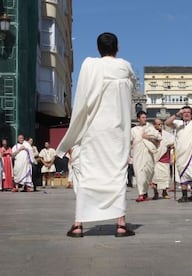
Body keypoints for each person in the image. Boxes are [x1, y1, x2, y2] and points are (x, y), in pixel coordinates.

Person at [56, 32, 135, 238]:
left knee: (89, 173)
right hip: (116, 130)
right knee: (116, 174)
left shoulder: (90, 66)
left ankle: (78, 224)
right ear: (117, 47)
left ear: (98, 49)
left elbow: (81, 99)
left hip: (93, 129)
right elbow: (129, 90)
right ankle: (120, 223)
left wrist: (74, 133)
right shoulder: (124, 67)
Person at [165, 106, 192, 203]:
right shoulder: (178, 123)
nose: (186, 114)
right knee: (183, 175)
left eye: (189, 112)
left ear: (191, 114)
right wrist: (176, 114)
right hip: (181, 154)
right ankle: (184, 196)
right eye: (184, 112)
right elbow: (167, 123)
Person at [131, 111, 162, 202]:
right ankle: (141, 194)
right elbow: (129, 140)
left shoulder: (150, 128)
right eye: (142, 117)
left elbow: (159, 137)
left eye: (145, 117)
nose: (144, 119)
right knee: (139, 173)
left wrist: (148, 137)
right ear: (138, 119)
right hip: (138, 154)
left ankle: (145, 193)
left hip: (148, 154)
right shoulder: (133, 130)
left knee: (147, 174)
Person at [151, 118, 175, 199]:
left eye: (161, 124)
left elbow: (173, 142)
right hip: (154, 158)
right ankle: (155, 193)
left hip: (165, 158)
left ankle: (164, 192)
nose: (160, 126)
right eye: (158, 124)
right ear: (154, 125)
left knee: (165, 177)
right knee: (154, 178)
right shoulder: (151, 134)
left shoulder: (167, 135)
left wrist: (170, 145)